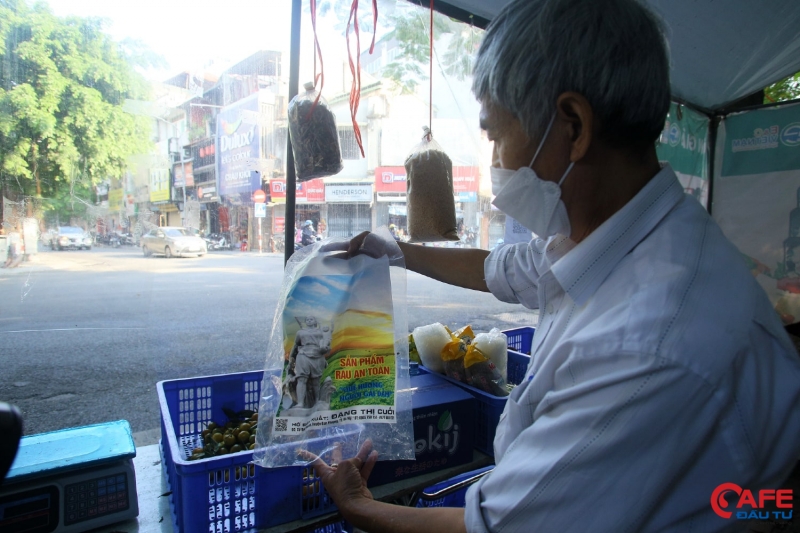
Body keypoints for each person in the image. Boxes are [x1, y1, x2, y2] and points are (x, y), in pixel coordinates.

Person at [308, 0, 800, 531]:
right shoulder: (621, 236)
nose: (495, 160)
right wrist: (399, 251)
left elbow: (496, 528)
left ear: (574, 125)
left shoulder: (645, 345)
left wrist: (357, 507)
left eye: (496, 134)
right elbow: (500, 268)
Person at [287, 316, 331, 409]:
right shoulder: (300, 332)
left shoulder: (321, 331)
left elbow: (327, 342)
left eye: (311, 319)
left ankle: (316, 402)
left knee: (316, 381)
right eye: (307, 319)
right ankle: (300, 403)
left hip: (318, 356)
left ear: (315, 321)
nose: (309, 321)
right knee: (301, 379)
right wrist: (291, 357)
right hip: (303, 354)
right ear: (305, 322)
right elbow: (296, 345)